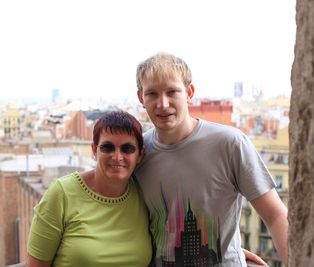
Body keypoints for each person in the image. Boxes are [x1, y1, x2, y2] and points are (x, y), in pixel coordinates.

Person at [134, 52, 288, 266]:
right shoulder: (137, 153)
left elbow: (275, 215)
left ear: (189, 92)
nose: (162, 103)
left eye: (172, 92)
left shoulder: (230, 143)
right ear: (141, 98)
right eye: (152, 94)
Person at [26, 111, 152, 267]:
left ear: (140, 154)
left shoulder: (144, 193)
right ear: (94, 150)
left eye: (127, 149)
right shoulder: (62, 193)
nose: (117, 157)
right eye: (108, 147)